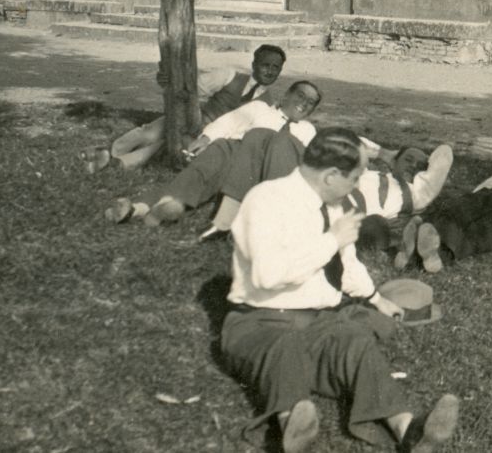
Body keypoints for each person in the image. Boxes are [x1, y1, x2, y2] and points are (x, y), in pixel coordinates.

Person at [222, 127, 460, 452]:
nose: (358, 185)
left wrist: (376, 298)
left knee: (355, 343)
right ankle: (292, 424)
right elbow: (268, 275)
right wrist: (331, 241)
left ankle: (409, 430)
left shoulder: (333, 206)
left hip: (315, 321)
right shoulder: (267, 200)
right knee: (284, 349)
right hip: (259, 322)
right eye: (356, 178)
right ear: (331, 175)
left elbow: (346, 265)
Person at [103, 80, 321, 226]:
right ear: (286, 95)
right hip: (234, 155)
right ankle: (146, 208)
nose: (303, 103)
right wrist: (206, 139)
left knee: (272, 144)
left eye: (310, 103)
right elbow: (227, 123)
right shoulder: (259, 109)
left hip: (266, 174)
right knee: (206, 164)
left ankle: (149, 207)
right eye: (300, 96)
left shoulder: (307, 130)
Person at [80, 44, 286, 173]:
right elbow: (193, 89)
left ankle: (118, 164)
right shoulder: (230, 76)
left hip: (210, 138)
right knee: (152, 131)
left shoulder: (267, 104)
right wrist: (174, 91)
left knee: (164, 145)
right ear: (254, 64)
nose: (269, 71)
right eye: (265, 65)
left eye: (275, 67)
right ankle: (112, 151)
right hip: (194, 117)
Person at [343, 144, 455, 255]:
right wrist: (383, 153)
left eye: (420, 166)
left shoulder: (417, 193)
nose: (413, 165)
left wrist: (428, 166)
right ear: (393, 162)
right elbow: (346, 144)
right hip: (340, 206)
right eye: (408, 160)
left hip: (367, 225)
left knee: (375, 224)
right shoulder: (367, 172)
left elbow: (445, 153)